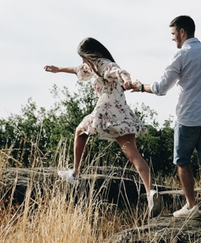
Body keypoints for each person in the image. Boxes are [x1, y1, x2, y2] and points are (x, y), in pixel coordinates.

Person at [126, 15, 201, 221]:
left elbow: (160, 88)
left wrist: (139, 87)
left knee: (183, 162)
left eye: (174, 34)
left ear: (182, 32)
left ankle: (191, 206)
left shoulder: (180, 56)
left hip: (187, 117)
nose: (173, 39)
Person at [45, 37, 162, 218]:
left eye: (83, 57)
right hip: (122, 113)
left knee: (80, 132)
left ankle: (75, 173)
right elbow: (76, 69)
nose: (82, 61)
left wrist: (127, 79)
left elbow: (119, 72)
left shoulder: (104, 64)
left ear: (91, 54)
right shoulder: (90, 66)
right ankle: (150, 193)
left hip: (106, 111)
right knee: (133, 155)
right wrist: (58, 69)